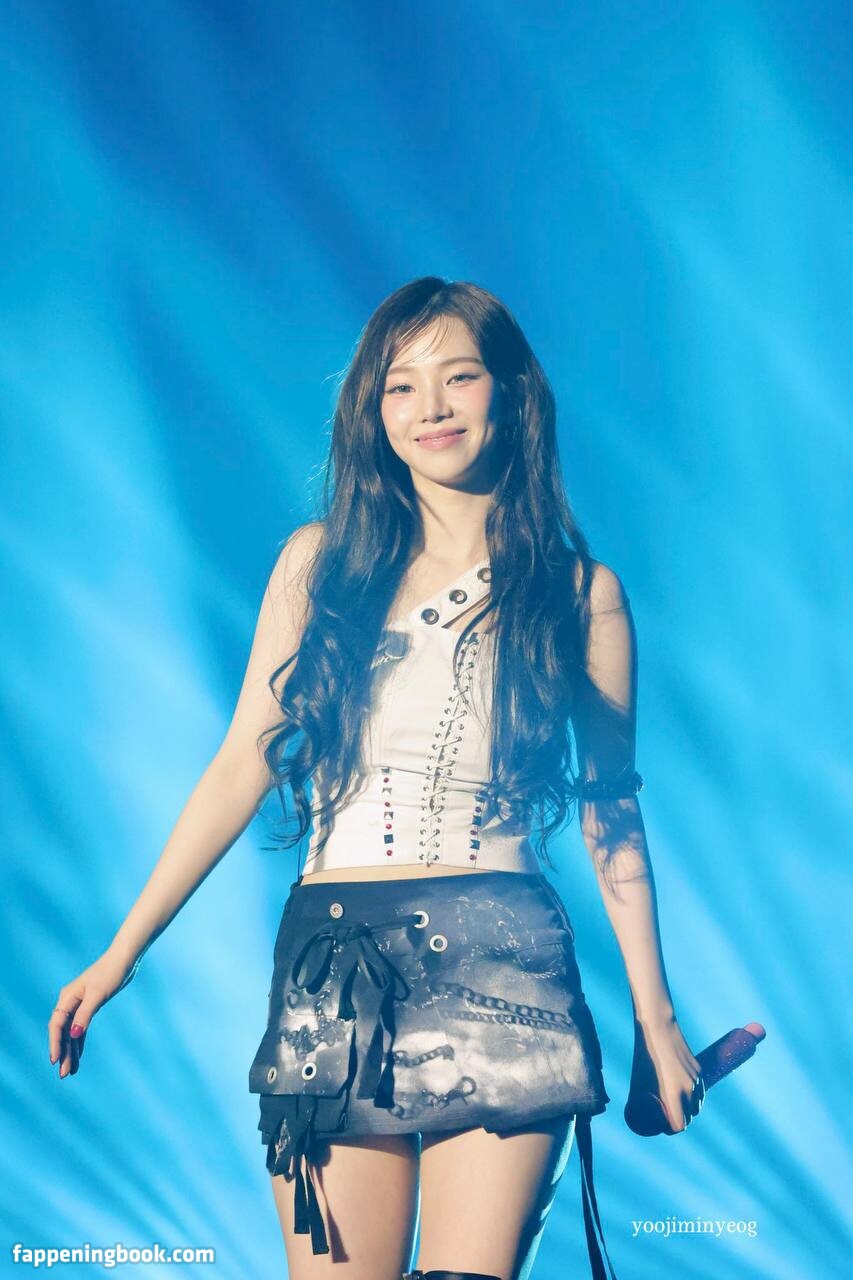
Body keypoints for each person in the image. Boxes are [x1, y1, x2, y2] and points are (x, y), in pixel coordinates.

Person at [48, 278, 705, 1280]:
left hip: (504, 966)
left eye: (459, 377)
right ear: (373, 409)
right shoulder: (319, 565)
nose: (430, 406)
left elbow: (609, 814)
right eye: (401, 385)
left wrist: (658, 1026)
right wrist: (120, 953)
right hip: (334, 963)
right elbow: (240, 763)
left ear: (513, 391)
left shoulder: (581, 595)